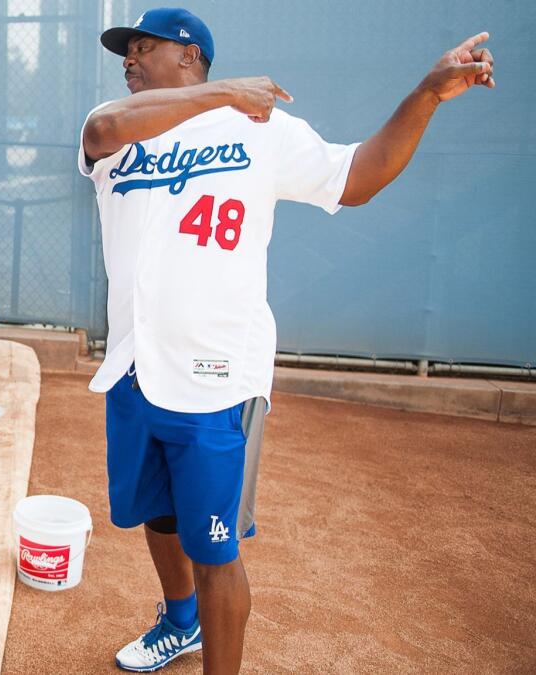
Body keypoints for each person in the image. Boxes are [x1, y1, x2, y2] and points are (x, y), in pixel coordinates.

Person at [79, 8, 494, 672]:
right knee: (157, 516)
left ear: (189, 55)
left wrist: (424, 95)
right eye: (125, 51)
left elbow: (357, 176)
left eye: (144, 47)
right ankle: (179, 622)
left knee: (215, 548)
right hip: (134, 366)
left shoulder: (260, 131)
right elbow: (100, 129)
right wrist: (222, 91)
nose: (129, 59)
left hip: (218, 378)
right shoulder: (120, 129)